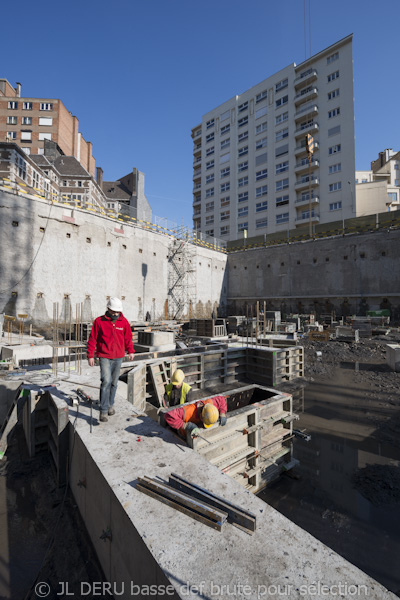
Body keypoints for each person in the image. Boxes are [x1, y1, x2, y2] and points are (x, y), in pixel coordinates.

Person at [87, 297, 134, 422]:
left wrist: (130, 351)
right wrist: (91, 355)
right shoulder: (99, 321)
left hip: (118, 357)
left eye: (117, 312)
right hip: (104, 356)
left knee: (114, 383)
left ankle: (110, 405)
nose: (115, 314)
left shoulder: (124, 322)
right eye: (113, 312)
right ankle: (103, 411)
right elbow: (93, 339)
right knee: (106, 381)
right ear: (108, 309)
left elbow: (128, 337)